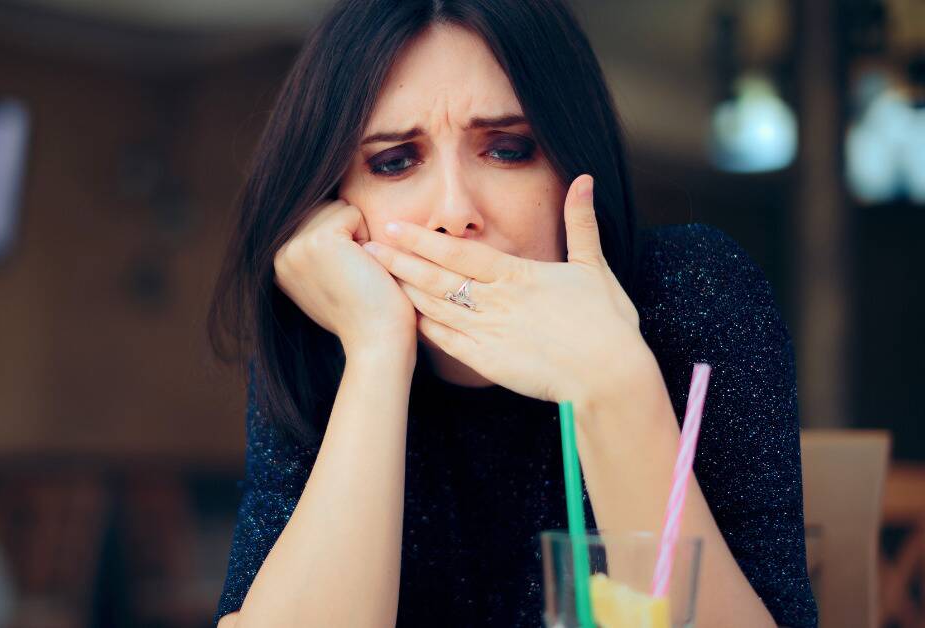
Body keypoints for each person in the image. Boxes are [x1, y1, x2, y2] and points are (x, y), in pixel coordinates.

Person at [207, 1, 818, 626]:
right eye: (394, 162)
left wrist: (613, 382)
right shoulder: (324, 330)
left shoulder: (691, 292)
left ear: (571, 165)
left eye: (506, 150)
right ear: (337, 200)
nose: (454, 210)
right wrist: (376, 347)